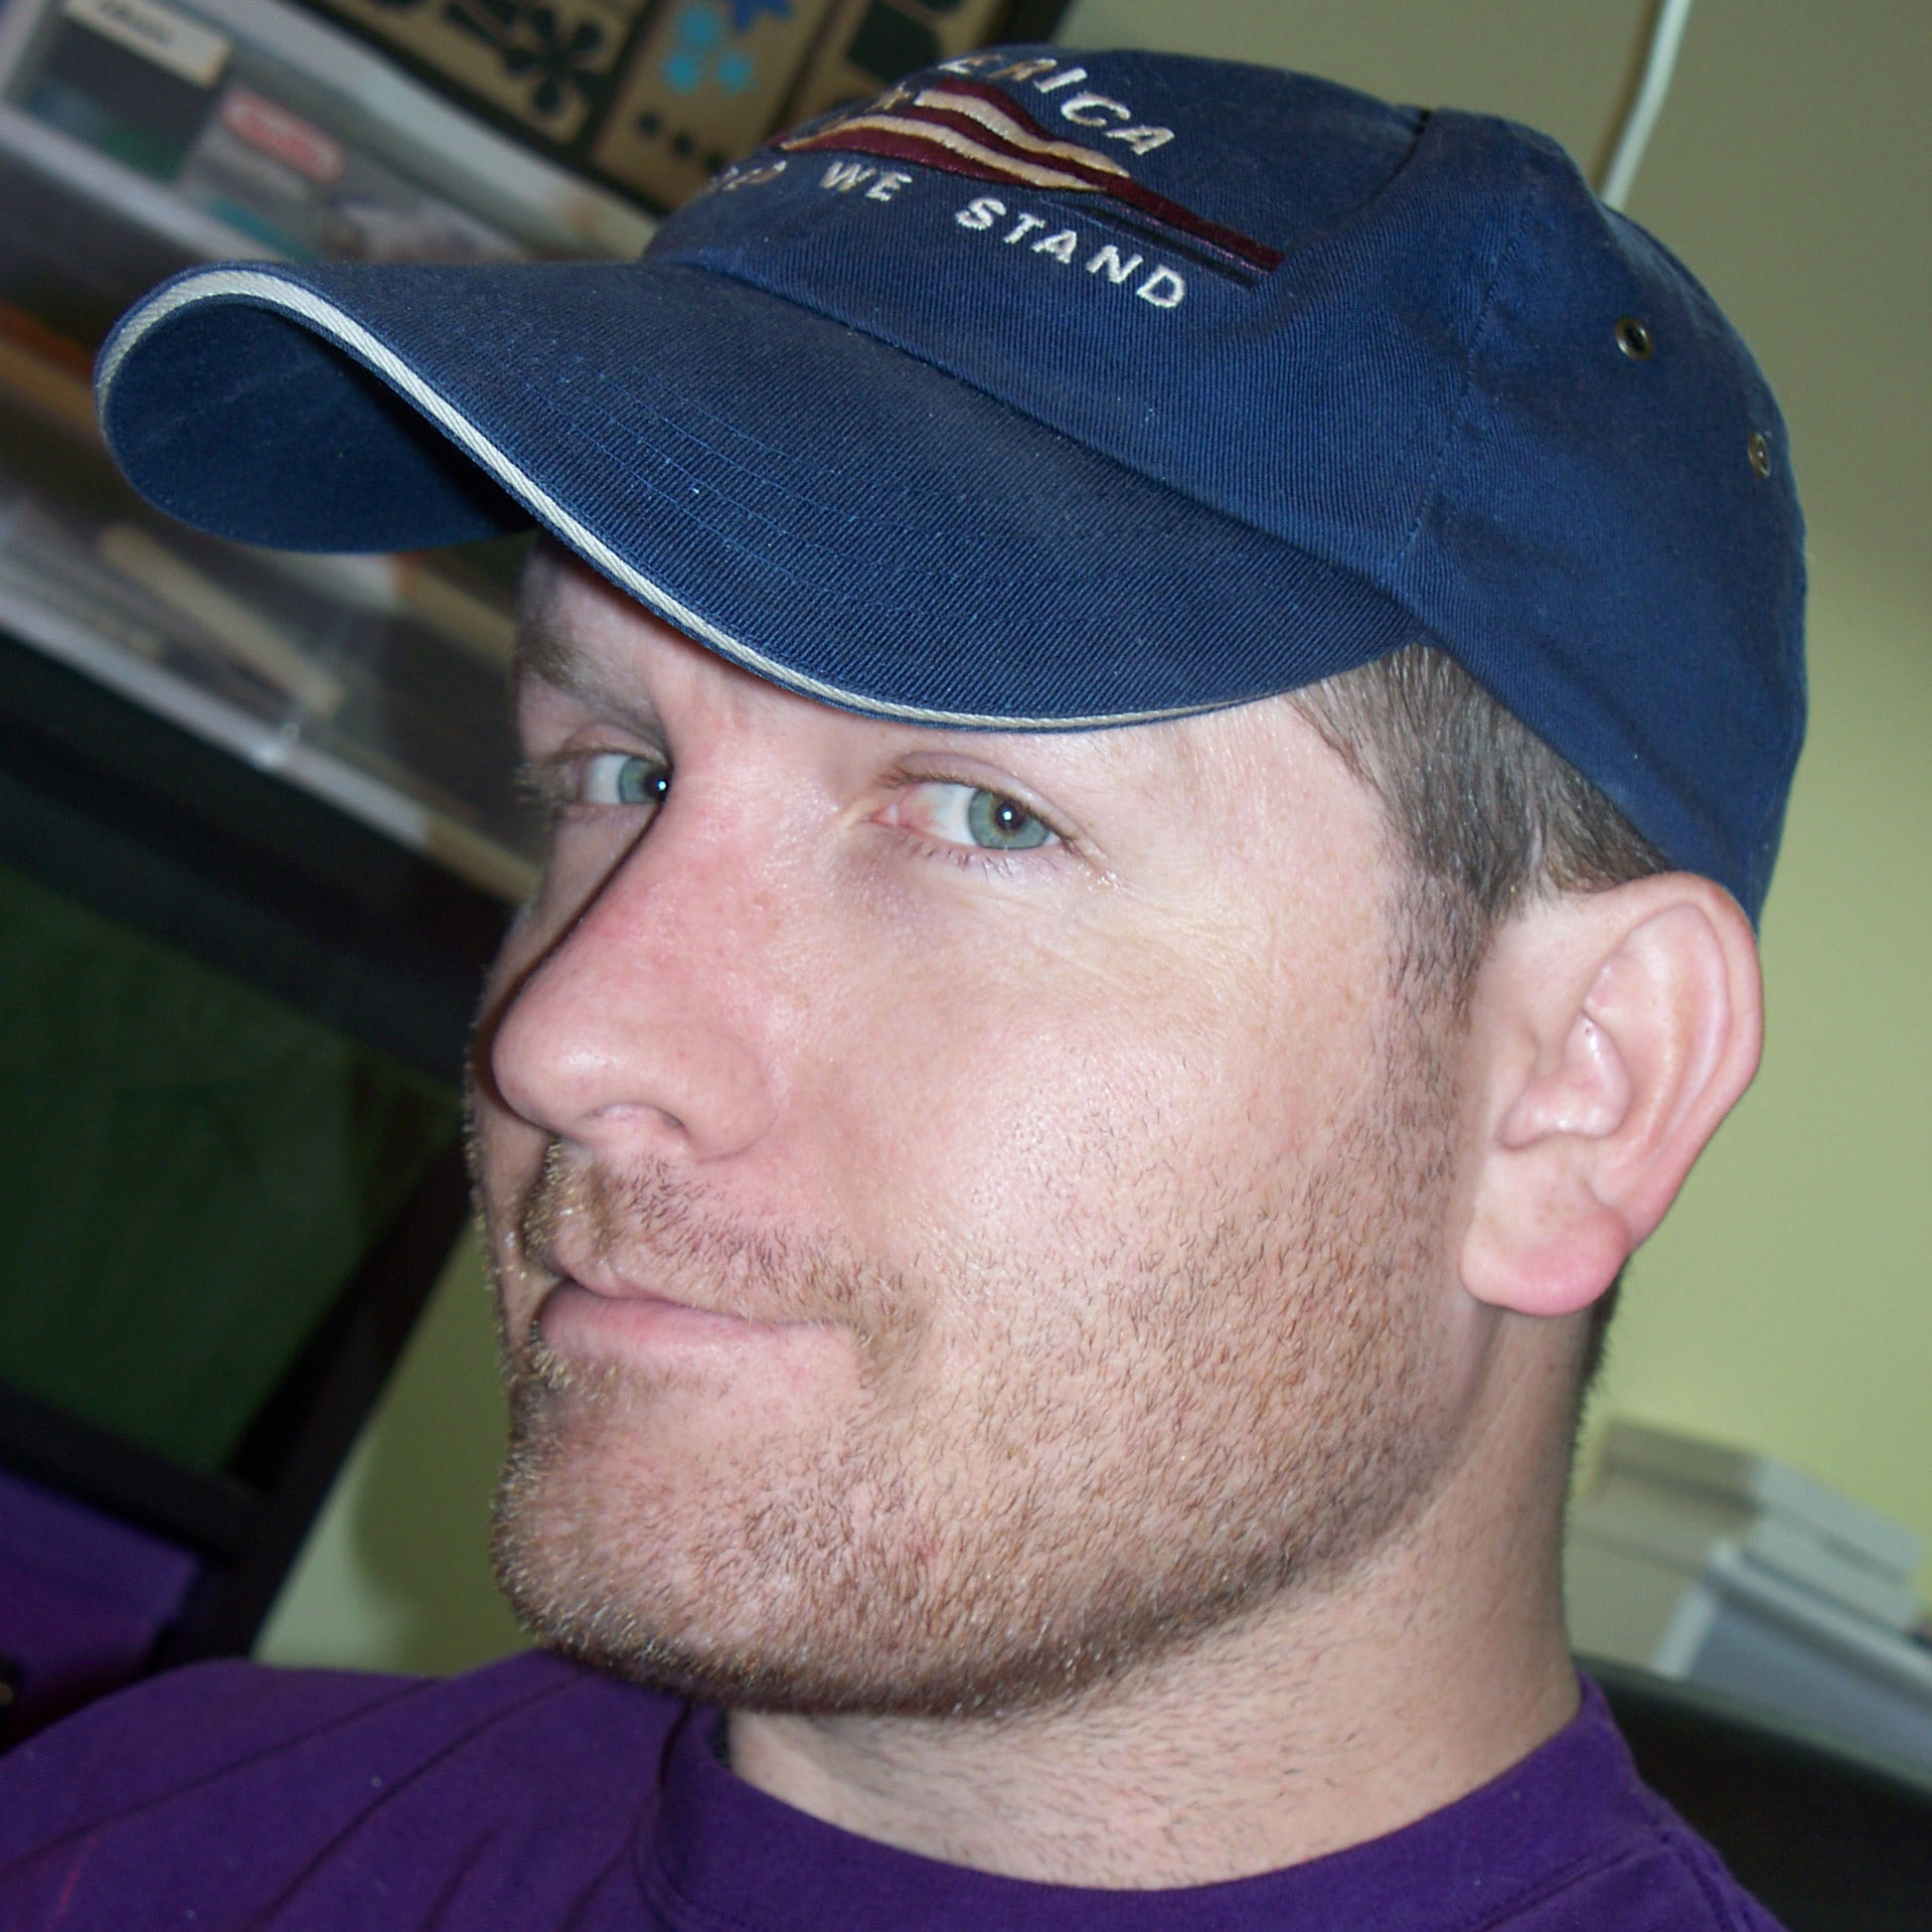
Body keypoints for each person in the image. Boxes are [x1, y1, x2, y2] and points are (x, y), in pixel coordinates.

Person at [0, 45, 1803, 1932]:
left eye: (984, 814)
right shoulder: (140, 1836)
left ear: (1581, 1087)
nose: (564, 1039)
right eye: (615, 770)